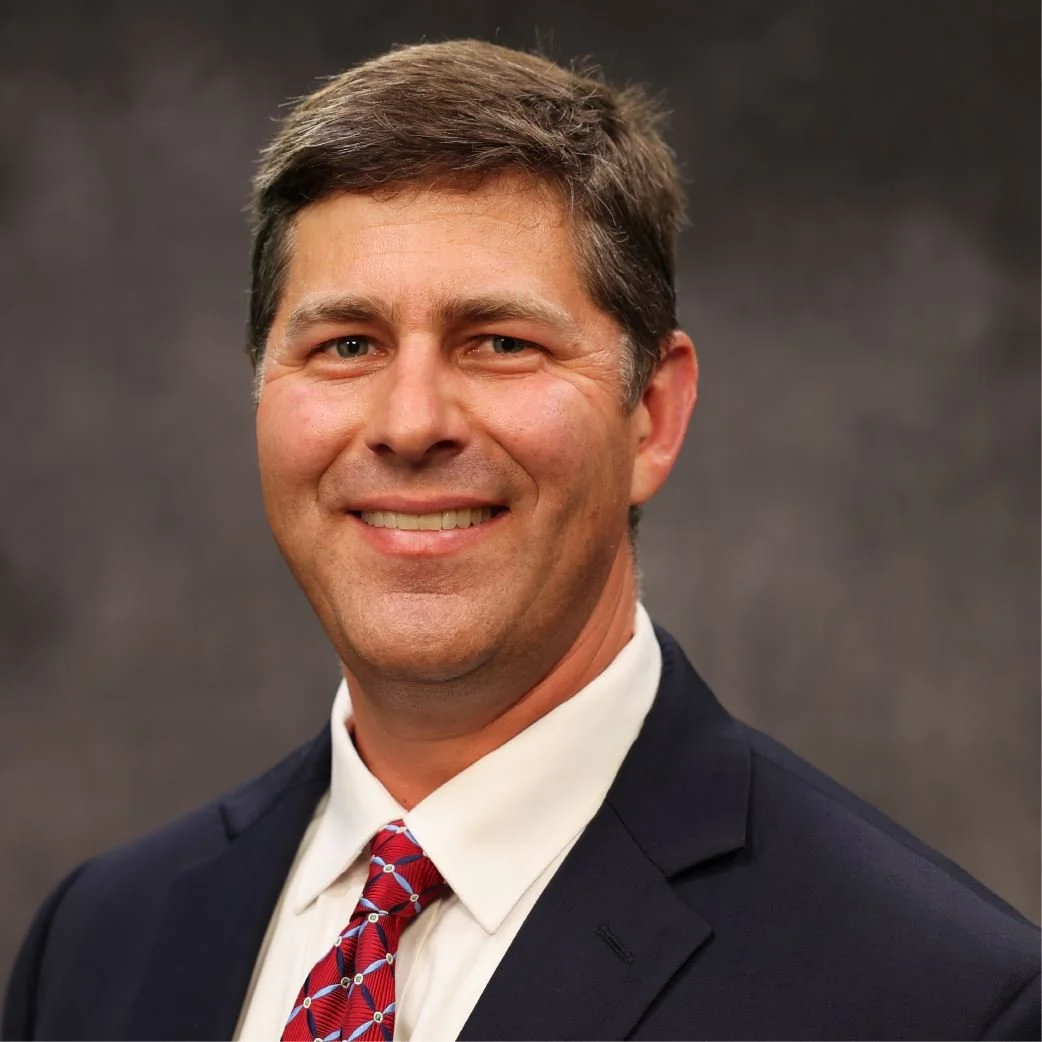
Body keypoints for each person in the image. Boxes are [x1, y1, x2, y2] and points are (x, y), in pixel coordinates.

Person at [3, 38, 1038, 1042]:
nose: (410, 423)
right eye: (345, 343)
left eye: (500, 342)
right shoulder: (98, 945)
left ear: (652, 415)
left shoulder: (937, 999)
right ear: (263, 393)